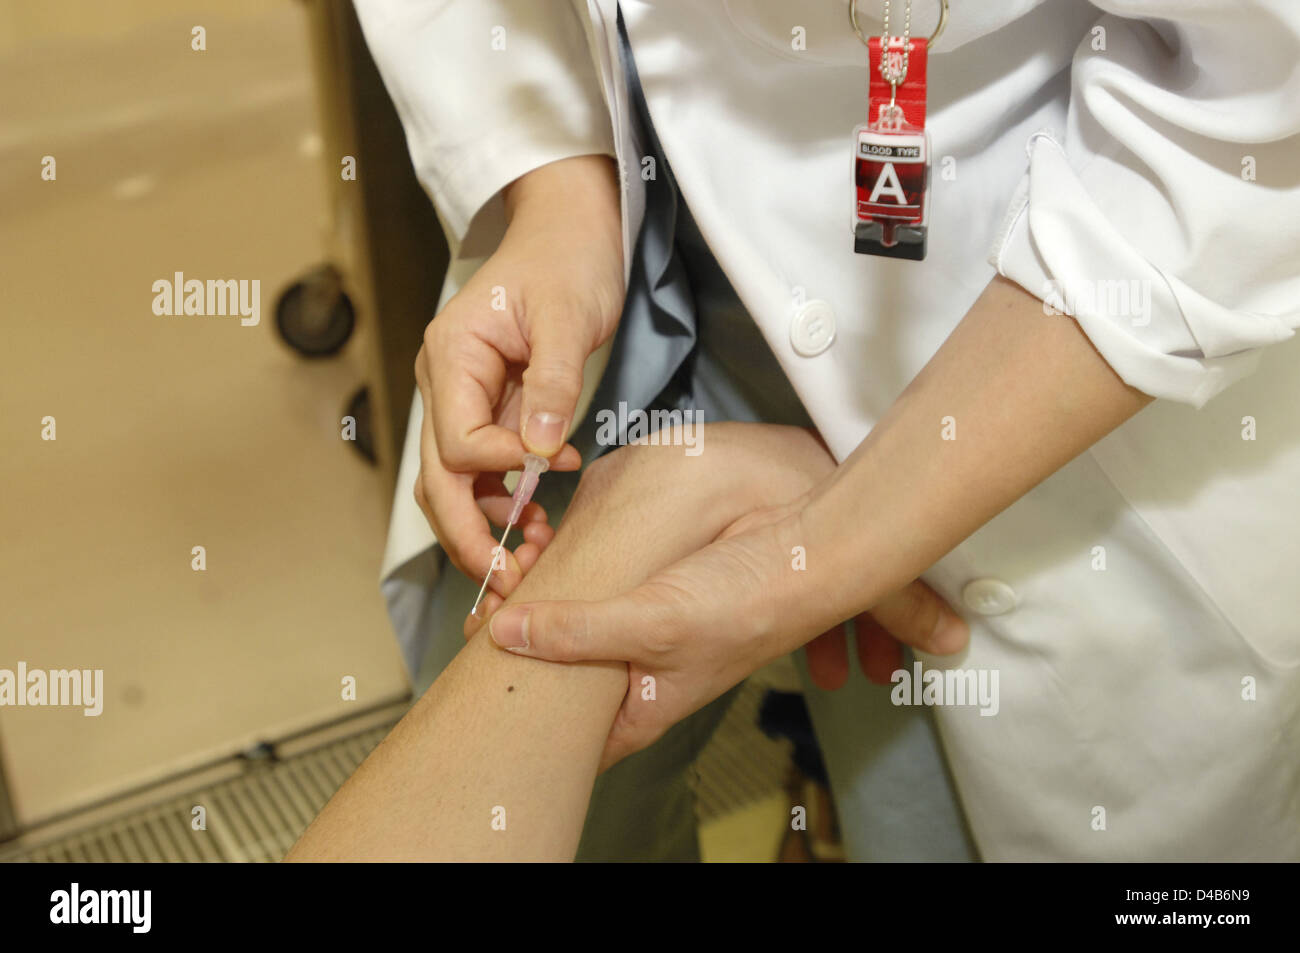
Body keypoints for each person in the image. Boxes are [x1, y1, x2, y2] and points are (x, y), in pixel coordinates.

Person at [348, 0, 1300, 861]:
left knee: (922, 800)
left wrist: (835, 540)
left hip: (1039, 301)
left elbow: (1258, 97)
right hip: (647, 222)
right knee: (536, 753)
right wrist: (557, 186)